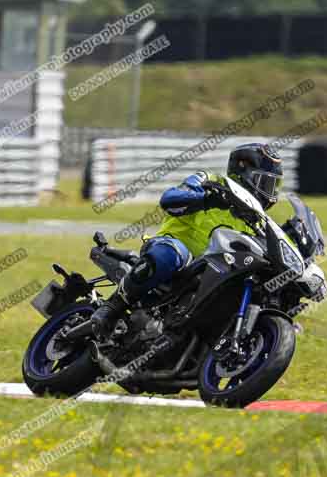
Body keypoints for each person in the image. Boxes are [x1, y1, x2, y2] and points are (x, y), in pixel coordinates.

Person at [90, 143, 286, 340]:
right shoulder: (210, 181)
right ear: (244, 172)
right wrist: (208, 200)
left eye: (274, 186)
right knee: (171, 254)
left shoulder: (256, 219)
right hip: (175, 248)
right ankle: (113, 307)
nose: (270, 193)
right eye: (266, 184)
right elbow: (170, 199)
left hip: (212, 272)